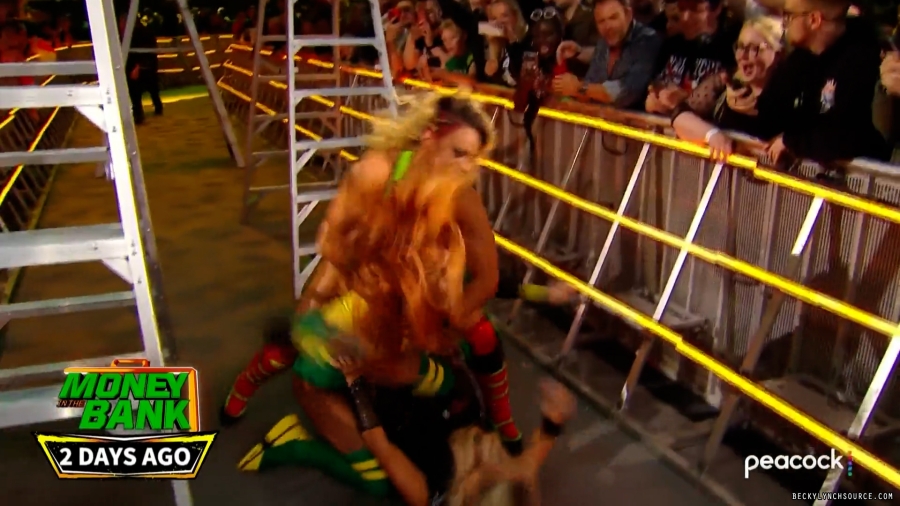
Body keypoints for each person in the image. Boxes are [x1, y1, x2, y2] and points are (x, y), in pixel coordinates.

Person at [221, 94, 525, 456]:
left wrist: (445, 322)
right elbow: (333, 245)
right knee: (305, 334)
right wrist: (341, 290)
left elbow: (487, 278)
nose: (466, 167)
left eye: (474, 158)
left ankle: (502, 417)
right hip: (365, 275)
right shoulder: (375, 172)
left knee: (478, 332)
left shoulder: (462, 199)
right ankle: (247, 383)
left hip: (425, 289)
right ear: (429, 136)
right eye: (459, 153)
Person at [756, 0, 891, 164]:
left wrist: (791, 142)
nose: (784, 23)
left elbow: (846, 135)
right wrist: (738, 108)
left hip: (860, 176)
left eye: (789, 15)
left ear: (814, 20)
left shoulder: (862, 57)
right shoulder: (799, 58)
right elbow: (767, 118)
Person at [672, 17, 783, 156]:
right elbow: (679, 116)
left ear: (777, 54)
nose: (742, 56)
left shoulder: (789, 92)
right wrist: (712, 134)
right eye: (740, 47)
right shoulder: (724, 82)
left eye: (754, 48)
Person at [552, 0, 662, 108]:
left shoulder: (647, 40)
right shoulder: (604, 42)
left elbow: (627, 92)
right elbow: (590, 84)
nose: (607, 26)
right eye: (601, 21)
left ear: (628, 15)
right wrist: (566, 88)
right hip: (601, 117)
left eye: (613, 18)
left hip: (636, 118)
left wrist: (579, 88)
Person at [645, 0, 739, 115]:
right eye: (682, 9)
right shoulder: (671, 44)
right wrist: (655, 97)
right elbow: (654, 86)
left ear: (717, 9)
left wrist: (684, 99)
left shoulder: (733, 48)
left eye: (696, 10)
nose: (686, 17)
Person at [118, 15, 162, 124]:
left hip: (142, 65)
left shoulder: (140, 33)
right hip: (140, 65)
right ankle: (143, 112)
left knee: (141, 89)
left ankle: (142, 113)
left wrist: (138, 66)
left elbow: (145, 51)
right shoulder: (130, 34)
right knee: (144, 89)